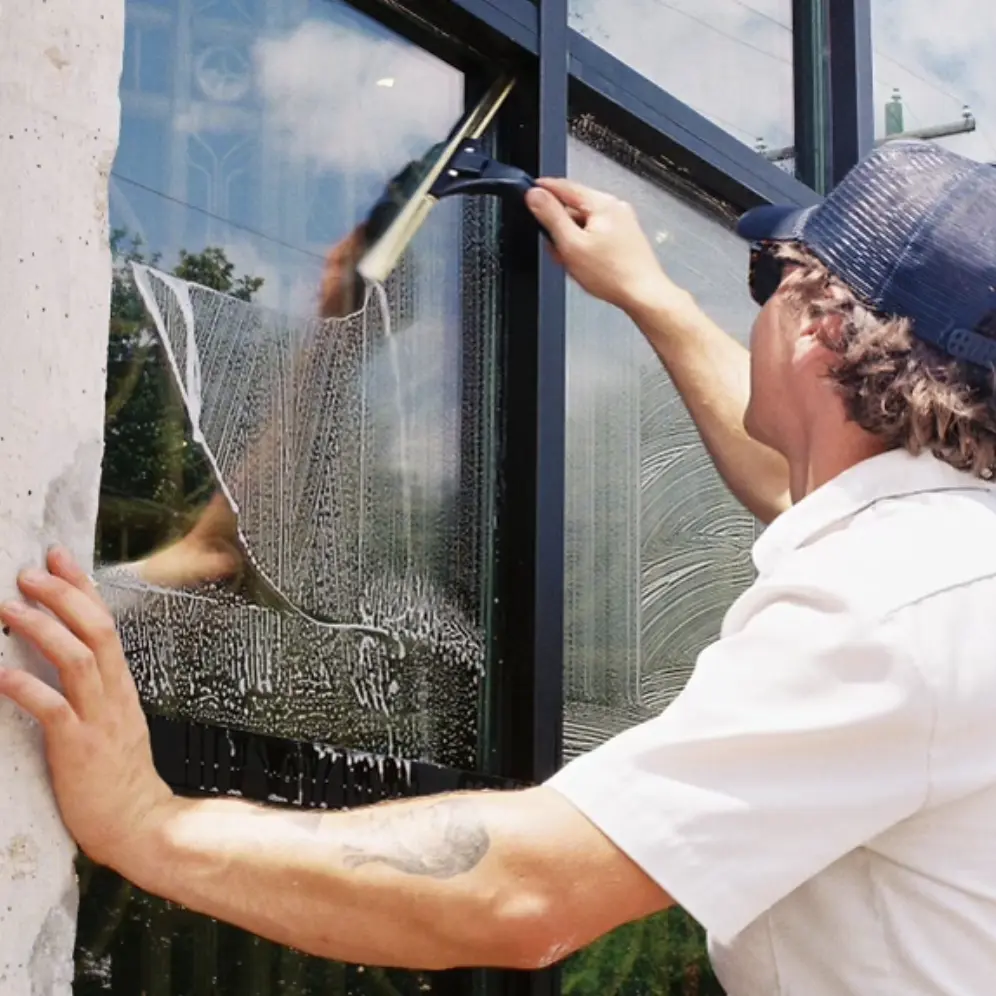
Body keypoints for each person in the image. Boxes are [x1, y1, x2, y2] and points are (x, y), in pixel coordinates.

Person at [4, 138, 996, 995]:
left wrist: (147, 824)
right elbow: (795, 485)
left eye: (767, 279)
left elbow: (523, 892)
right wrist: (649, 294)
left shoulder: (890, 610)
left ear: (818, 326)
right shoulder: (943, 565)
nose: (759, 311)